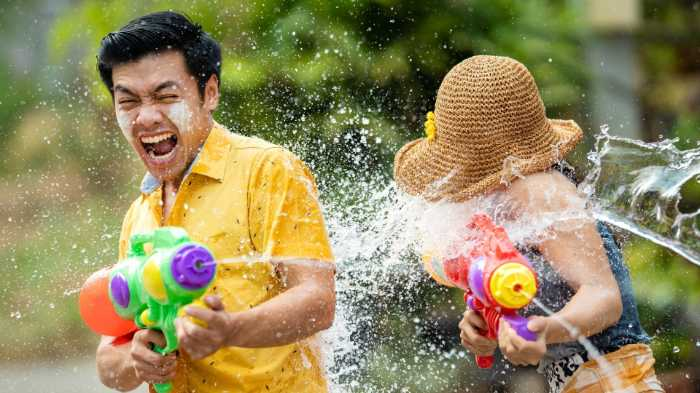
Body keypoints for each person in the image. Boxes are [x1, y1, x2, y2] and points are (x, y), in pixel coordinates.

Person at [94, 11, 335, 393]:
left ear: (210, 93)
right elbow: (109, 361)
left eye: (166, 96)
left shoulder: (268, 169)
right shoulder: (139, 215)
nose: (147, 117)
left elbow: (318, 301)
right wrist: (135, 360)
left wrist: (231, 330)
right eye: (129, 102)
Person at [393, 55, 663, 393]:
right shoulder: (507, 202)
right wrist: (485, 326)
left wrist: (542, 330)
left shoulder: (539, 190)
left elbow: (604, 298)